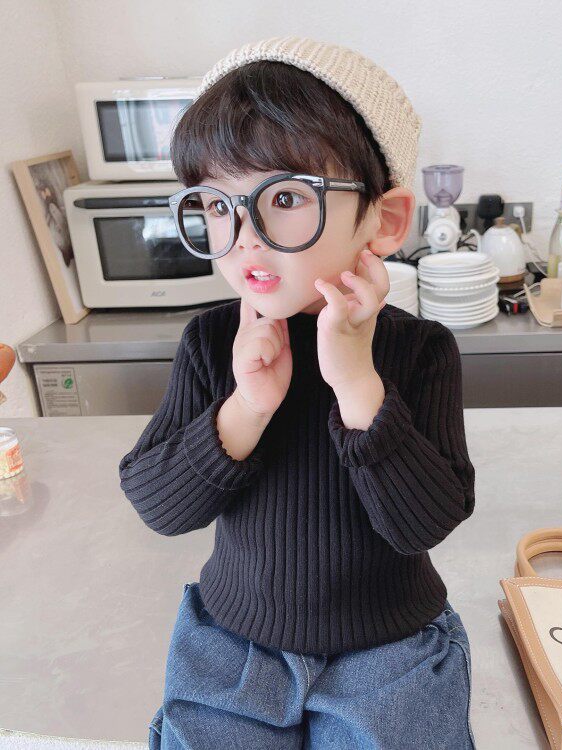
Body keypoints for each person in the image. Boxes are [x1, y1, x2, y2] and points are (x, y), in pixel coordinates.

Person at [119, 36, 477, 750]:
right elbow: (158, 507)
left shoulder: (420, 350)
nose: (243, 236)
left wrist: (357, 382)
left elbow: (426, 522)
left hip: (390, 648)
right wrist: (245, 408)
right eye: (215, 204)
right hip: (235, 642)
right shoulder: (209, 343)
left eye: (284, 198)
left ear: (384, 220)